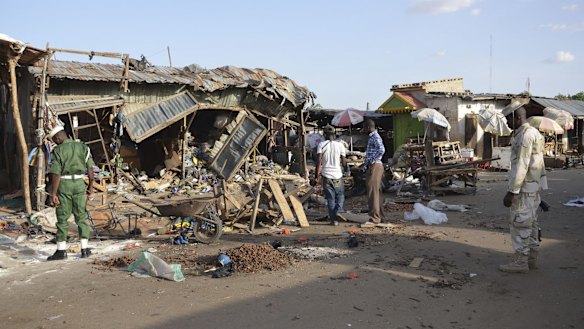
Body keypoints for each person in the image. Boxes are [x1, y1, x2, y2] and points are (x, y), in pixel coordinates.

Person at [500, 106, 547, 273]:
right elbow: (539, 164)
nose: (507, 123)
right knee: (532, 223)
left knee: (520, 224)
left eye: (508, 119)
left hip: (524, 189)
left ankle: (520, 262)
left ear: (516, 117)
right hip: (532, 187)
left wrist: (512, 192)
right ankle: (531, 259)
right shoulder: (534, 133)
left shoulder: (524, 136)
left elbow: (522, 165)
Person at [47, 126, 95, 261]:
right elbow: (91, 171)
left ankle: (61, 251)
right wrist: (90, 186)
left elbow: (56, 173)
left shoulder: (57, 151)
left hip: (64, 186)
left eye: (54, 140)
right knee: (81, 217)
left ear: (58, 138)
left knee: (62, 218)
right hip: (80, 184)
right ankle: (85, 249)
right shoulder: (83, 147)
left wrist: (54, 193)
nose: (55, 143)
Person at [317, 125, 349, 226]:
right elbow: (344, 161)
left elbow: (318, 162)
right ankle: (338, 210)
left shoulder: (321, 145)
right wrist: (347, 170)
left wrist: (316, 176)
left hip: (326, 175)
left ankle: (333, 220)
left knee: (330, 198)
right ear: (334, 135)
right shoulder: (340, 146)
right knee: (340, 195)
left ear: (324, 135)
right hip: (338, 175)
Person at [361, 119, 385, 226]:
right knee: (376, 191)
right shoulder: (373, 137)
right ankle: (379, 215)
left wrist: (372, 161)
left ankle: (375, 217)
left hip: (375, 166)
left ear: (368, 127)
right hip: (374, 165)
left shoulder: (375, 136)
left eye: (364, 128)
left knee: (372, 192)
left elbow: (381, 149)